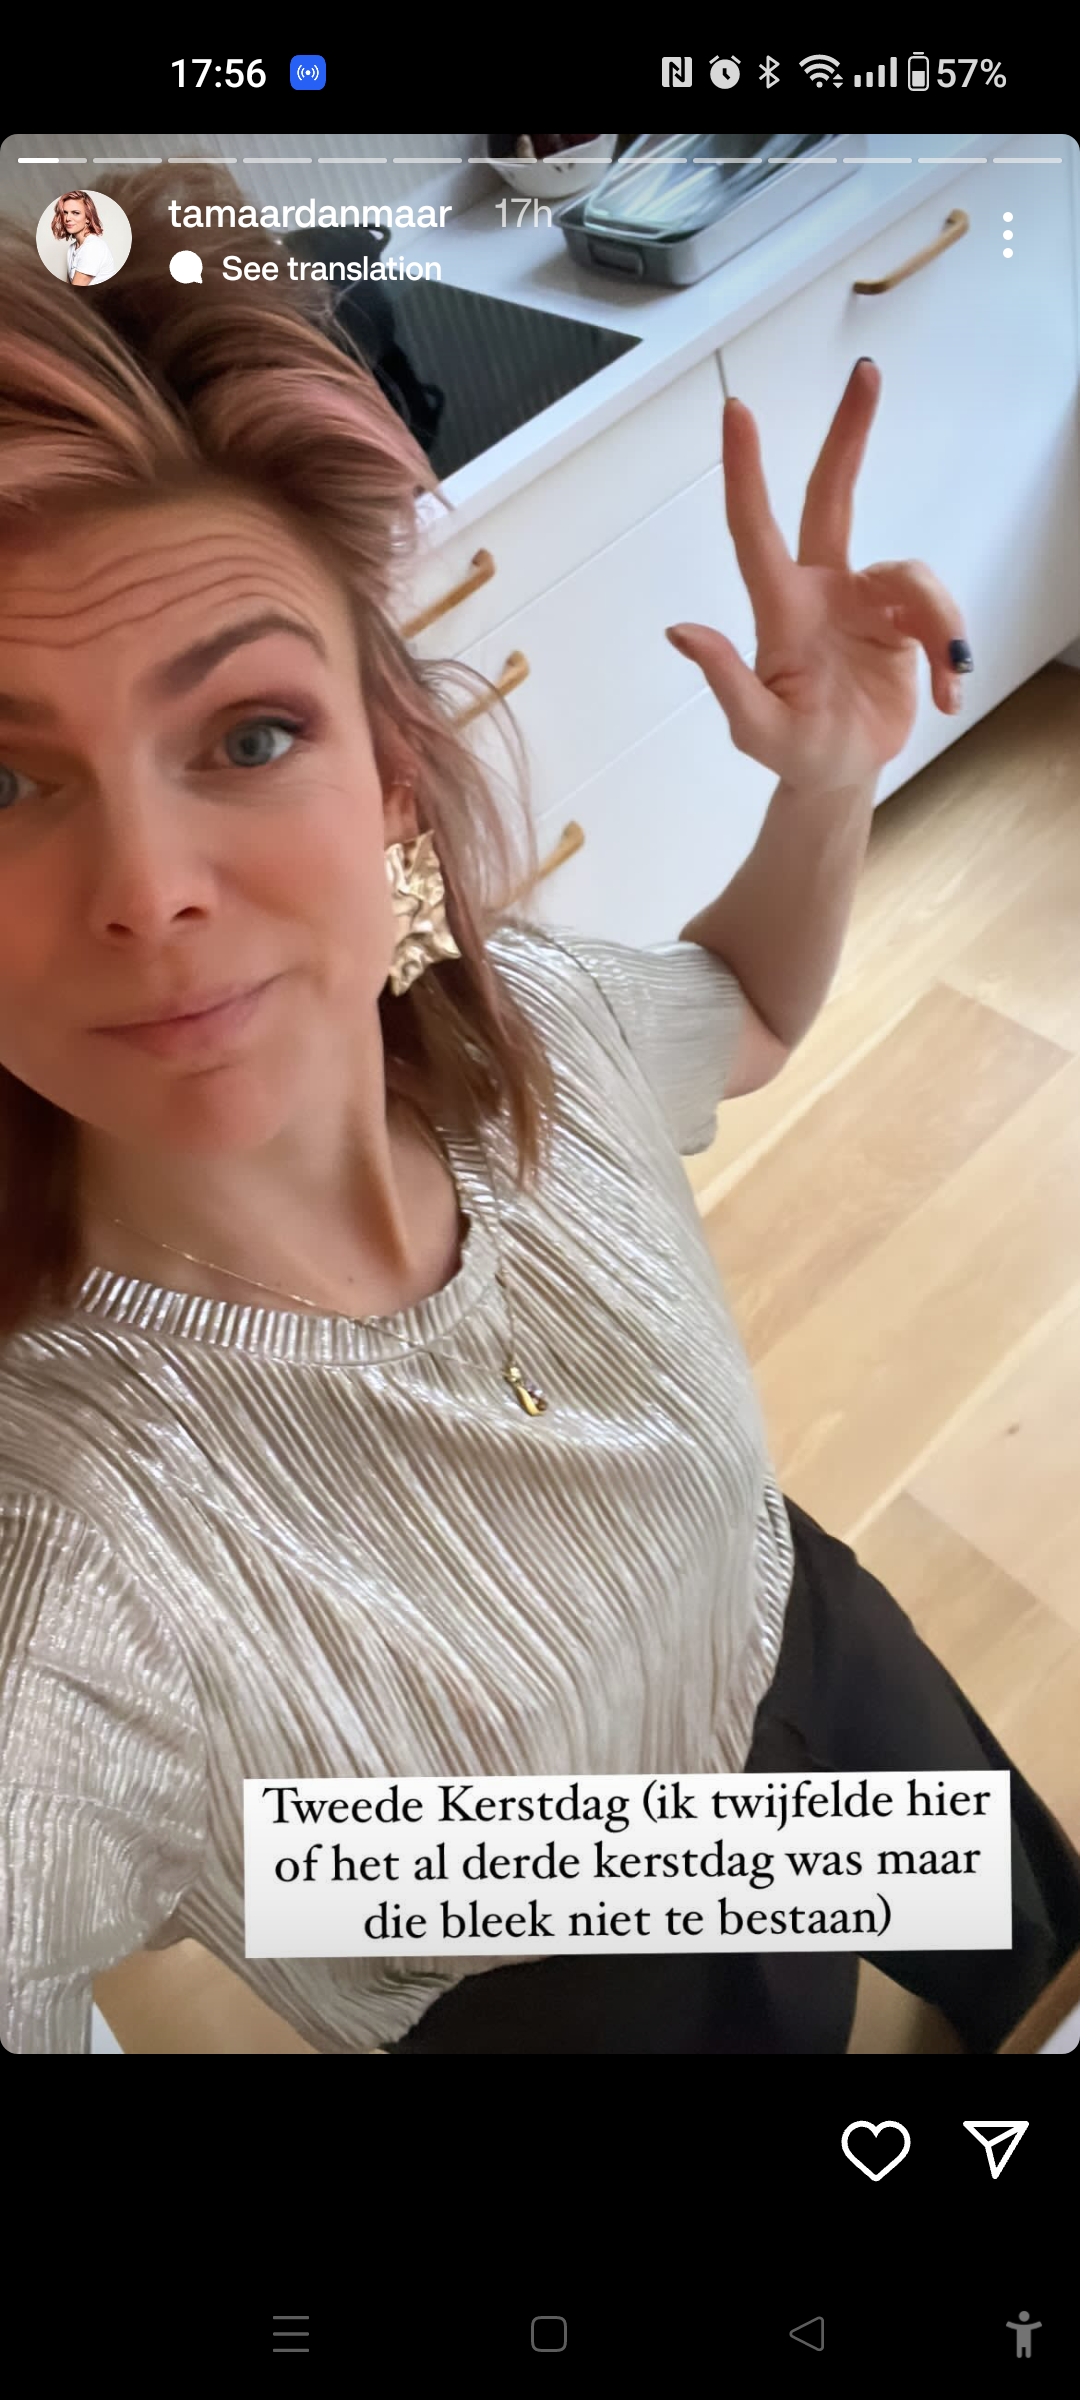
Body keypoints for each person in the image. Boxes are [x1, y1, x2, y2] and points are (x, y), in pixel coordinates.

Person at [2, 166, 1079, 2056]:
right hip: (553, 1978)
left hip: (791, 1632)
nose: (152, 889)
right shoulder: (63, 1574)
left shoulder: (538, 1047)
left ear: (393, 784)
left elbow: (749, 1010)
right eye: (6, 785)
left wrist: (828, 783)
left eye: (250, 734)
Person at [52, 189, 117, 285]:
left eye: (75, 213)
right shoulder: (72, 249)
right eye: (65, 212)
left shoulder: (93, 247)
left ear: (88, 218)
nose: (67, 218)